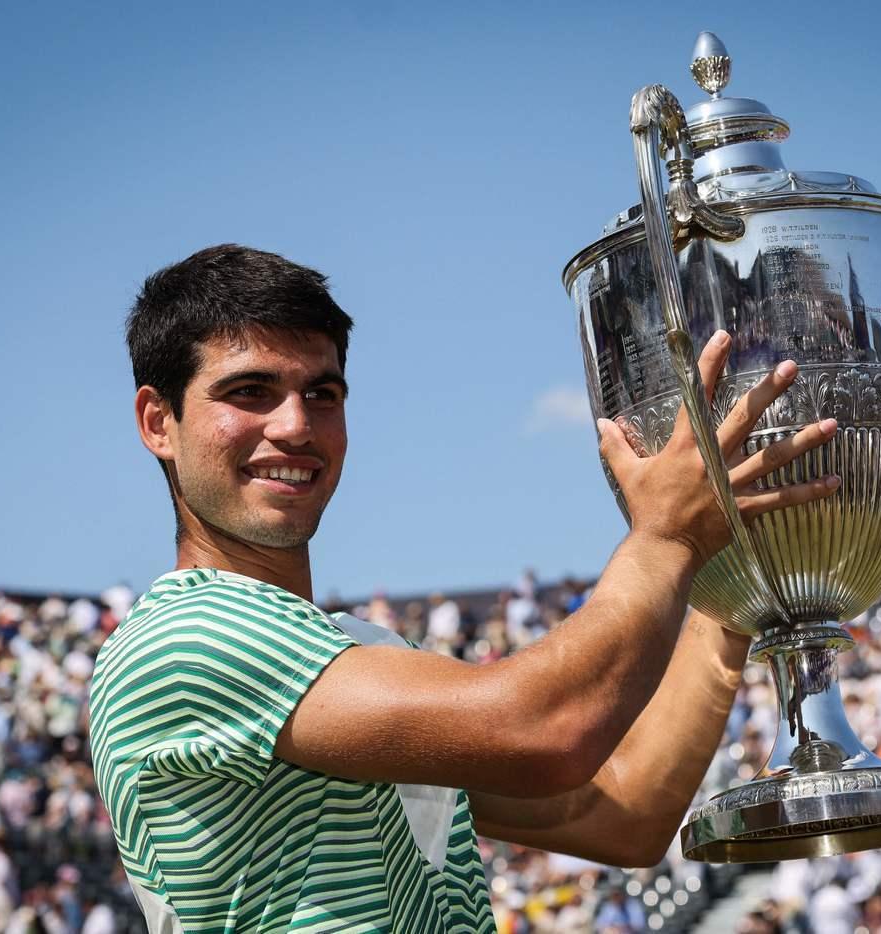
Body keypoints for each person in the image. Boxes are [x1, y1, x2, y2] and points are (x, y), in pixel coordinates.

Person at [87, 244, 840, 931]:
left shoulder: (360, 653)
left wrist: (734, 585)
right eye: (249, 391)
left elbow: (629, 814)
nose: (295, 425)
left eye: (322, 393)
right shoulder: (182, 639)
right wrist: (669, 536)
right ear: (159, 422)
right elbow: (545, 732)